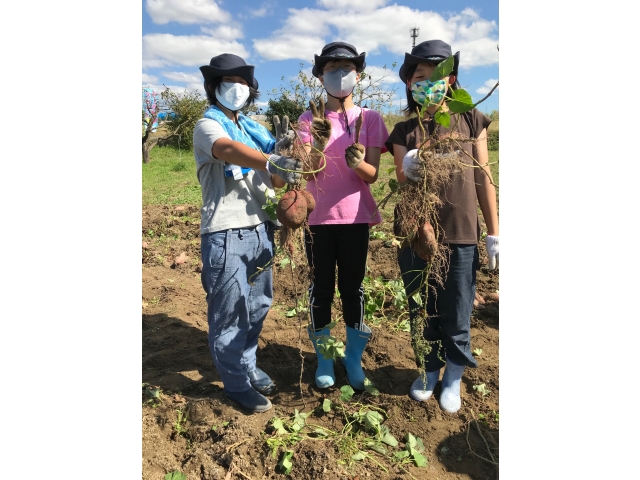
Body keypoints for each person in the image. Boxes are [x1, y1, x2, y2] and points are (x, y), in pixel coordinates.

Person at [385, 40, 499, 413]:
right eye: (419, 77)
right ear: (409, 84)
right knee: (422, 306)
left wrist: (494, 232)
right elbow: (402, 180)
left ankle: (453, 377)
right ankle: (428, 370)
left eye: (436, 76)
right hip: (416, 234)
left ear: (450, 80)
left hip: (462, 229)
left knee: (459, 307)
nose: (427, 83)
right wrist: (411, 165)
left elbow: (483, 177)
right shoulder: (404, 131)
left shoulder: (470, 119)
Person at [193, 53, 301, 413]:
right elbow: (227, 151)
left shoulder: (257, 132)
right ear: (214, 87)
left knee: (257, 306)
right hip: (225, 233)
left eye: (243, 82)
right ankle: (236, 385)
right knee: (228, 312)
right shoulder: (209, 127)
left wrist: (283, 158)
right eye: (229, 82)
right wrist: (270, 158)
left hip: (260, 229)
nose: (237, 89)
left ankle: (248, 366)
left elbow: (271, 178)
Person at [296, 42, 388, 390]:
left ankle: (352, 358)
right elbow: (308, 169)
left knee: (353, 289)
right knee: (321, 289)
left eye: (346, 68)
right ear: (320, 75)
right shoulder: (309, 119)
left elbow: (372, 175)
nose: (339, 74)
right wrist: (317, 145)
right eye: (331, 68)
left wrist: (358, 162)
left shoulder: (371, 119)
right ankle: (324, 358)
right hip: (318, 218)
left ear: (358, 75)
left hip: (356, 218)